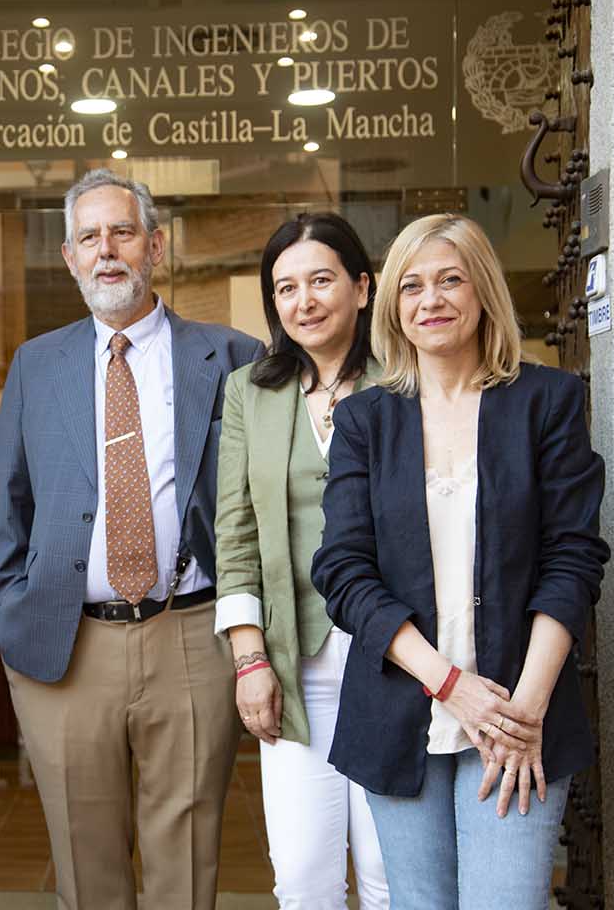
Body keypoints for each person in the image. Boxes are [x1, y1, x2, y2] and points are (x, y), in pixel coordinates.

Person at [311, 213, 611, 909]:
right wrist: (451, 684)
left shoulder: (546, 402)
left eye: (450, 280)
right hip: (400, 711)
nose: (431, 299)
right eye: (411, 285)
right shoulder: (364, 421)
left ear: (481, 292)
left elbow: (572, 558)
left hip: (517, 713)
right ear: (392, 306)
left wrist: (525, 710)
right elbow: (343, 573)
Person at [0, 168, 264, 910]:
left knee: (188, 852)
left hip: (192, 635)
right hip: (65, 646)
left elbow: (259, 502)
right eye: (88, 237)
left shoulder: (232, 357)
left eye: (122, 232)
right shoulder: (34, 364)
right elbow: (9, 503)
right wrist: (12, 611)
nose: (106, 250)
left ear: (156, 246)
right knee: (86, 859)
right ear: (69, 258)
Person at [214, 213, 389, 909]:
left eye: (321, 280)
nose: (303, 301)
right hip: (292, 668)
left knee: (389, 881)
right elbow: (234, 535)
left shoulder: (402, 379)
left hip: (394, 662)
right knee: (303, 882)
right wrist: (249, 659)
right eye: (284, 288)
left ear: (362, 287)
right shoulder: (248, 391)